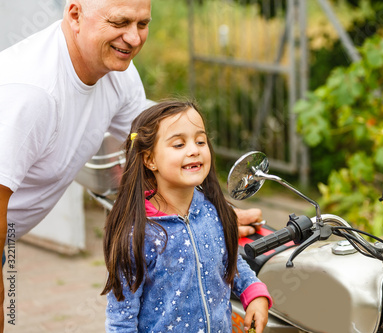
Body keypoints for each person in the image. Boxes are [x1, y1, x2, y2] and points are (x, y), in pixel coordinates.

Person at [0, 0, 262, 329]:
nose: (134, 38)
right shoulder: (31, 93)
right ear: (75, 15)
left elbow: (156, 153)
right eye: (120, 22)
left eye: (142, 24)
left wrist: (208, 216)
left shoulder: (117, 74)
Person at [102, 100, 272, 332]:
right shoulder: (139, 232)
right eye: (179, 144)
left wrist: (254, 292)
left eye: (200, 141)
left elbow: (229, 261)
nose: (194, 150)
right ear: (150, 159)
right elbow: (121, 318)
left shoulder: (213, 211)